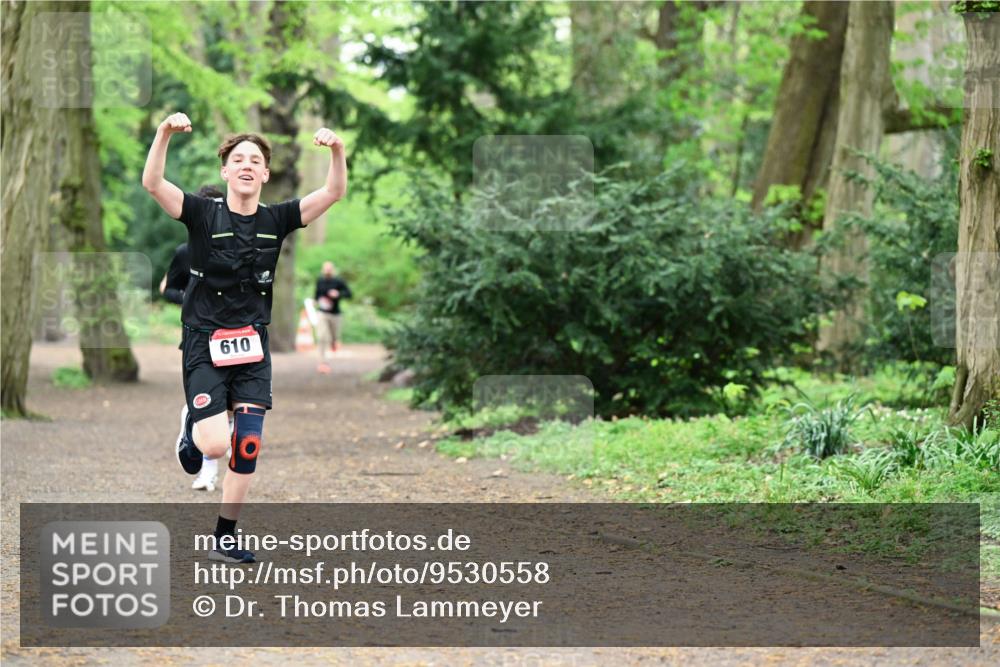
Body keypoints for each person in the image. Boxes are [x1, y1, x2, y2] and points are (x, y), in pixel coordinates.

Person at [142, 112, 347, 563]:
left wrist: (336, 150)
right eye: (239, 159)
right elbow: (154, 184)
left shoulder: (279, 218)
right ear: (225, 171)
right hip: (203, 342)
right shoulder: (200, 213)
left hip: (252, 344)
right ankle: (193, 427)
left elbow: (333, 192)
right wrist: (162, 135)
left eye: (256, 159)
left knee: (248, 442)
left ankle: (225, 535)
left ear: (266, 173)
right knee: (215, 444)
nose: (247, 165)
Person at [159, 186, 225, 492]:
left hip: (236, 339)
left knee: (234, 406)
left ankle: (193, 421)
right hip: (197, 338)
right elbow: (167, 289)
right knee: (207, 406)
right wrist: (191, 296)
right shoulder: (185, 253)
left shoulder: (238, 248)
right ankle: (207, 473)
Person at [313, 261, 351, 374]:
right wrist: (315, 301)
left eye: (330, 269)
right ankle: (323, 363)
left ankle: (334, 342)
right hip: (322, 313)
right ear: (323, 270)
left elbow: (349, 294)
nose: (328, 271)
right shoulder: (320, 281)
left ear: (333, 270)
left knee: (334, 337)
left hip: (335, 314)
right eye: (326, 269)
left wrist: (338, 294)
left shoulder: (338, 281)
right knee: (322, 337)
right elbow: (317, 294)